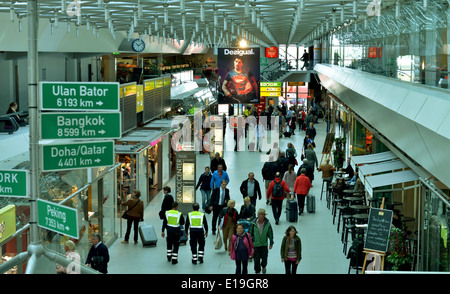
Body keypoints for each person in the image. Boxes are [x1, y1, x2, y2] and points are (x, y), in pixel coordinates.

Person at [249, 208, 274, 274]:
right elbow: (249, 233)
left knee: (264, 258)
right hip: (256, 244)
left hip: (264, 244)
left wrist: (271, 242)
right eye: (258, 214)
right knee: (256, 260)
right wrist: (250, 242)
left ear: (264, 216)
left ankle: (263, 266)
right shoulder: (253, 223)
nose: (259, 216)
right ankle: (257, 271)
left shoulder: (267, 224)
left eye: (261, 214)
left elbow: (270, 233)